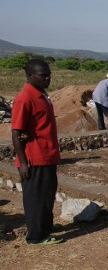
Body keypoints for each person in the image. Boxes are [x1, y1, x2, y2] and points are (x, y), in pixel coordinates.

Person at [11, 59, 63, 245]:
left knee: (47, 195)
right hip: (35, 158)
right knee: (36, 198)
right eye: (43, 75)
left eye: (49, 74)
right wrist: (23, 162)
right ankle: (36, 235)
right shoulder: (25, 97)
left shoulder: (41, 93)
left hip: (47, 155)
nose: (47, 78)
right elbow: (16, 132)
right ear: (30, 75)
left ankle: (45, 227)